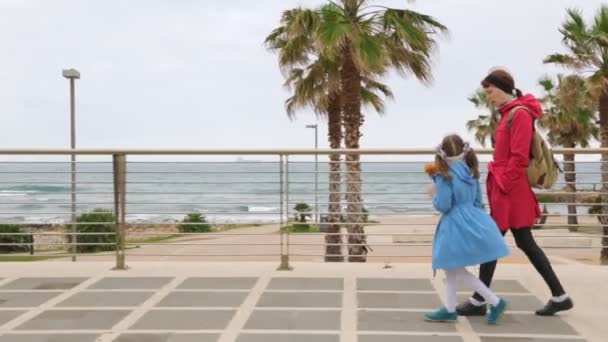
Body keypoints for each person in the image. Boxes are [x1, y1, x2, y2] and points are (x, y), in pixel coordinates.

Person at [456, 68, 573, 317]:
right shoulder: (510, 113)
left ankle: (479, 301)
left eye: (489, 92)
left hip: (510, 190)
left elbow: (519, 157)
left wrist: (504, 186)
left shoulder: (519, 114)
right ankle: (559, 295)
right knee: (523, 242)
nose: (488, 97)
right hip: (507, 188)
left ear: (502, 89)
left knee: (493, 241)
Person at [425, 134, 509, 324]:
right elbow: (478, 201)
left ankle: (495, 301)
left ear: (443, 154)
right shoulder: (471, 171)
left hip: (454, 223)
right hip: (474, 218)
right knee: (451, 269)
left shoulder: (444, 176)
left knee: (454, 267)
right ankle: (449, 308)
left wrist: (434, 193)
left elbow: (444, 205)